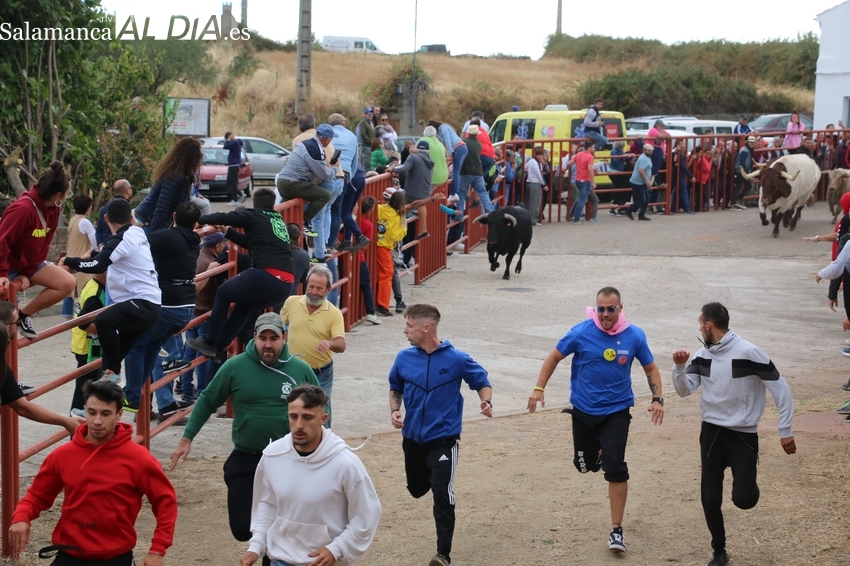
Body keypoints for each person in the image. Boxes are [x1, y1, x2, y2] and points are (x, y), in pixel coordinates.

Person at [171, 313, 318, 565]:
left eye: (274, 338)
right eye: (263, 338)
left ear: (284, 338)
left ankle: (273, 556)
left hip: (289, 458)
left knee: (281, 522)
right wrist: (187, 438)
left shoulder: (299, 369)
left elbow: (320, 409)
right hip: (247, 456)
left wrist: (323, 448)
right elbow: (207, 400)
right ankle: (268, 544)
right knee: (241, 527)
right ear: (254, 338)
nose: (268, 344)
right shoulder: (234, 366)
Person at [527, 286, 664, 554]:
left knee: (615, 468)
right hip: (584, 410)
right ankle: (597, 452)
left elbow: (651, 368)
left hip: (617, 411)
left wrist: (657, 398)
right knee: (585, 465)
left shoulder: (634, 336)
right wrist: (538, 388)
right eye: (600, 308)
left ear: (620, 309)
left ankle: (616, 530)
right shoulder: (580, 332)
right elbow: (554, 356)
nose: (604, 314)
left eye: (610, 309)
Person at [672, 302, 796, 566]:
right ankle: (719, 551)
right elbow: (684, 391)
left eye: (700, 324)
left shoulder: (750, 352)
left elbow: (780, 389)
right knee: (710, 497)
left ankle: (749, 485)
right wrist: (679, 368)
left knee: (744, 500)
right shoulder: (702, 355)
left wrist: (785, 429)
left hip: (742, 435)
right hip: (712, 432)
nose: (699, 328)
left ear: (708, 325)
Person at [10, 380, 177, 566]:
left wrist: (157, 549)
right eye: (91, 412)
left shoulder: (139, 459)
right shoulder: (62, 456)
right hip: (68, 555)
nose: (97, 421)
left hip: (115, 559)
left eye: (105, 413)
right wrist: (21, 518)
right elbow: (36, 496)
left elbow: (165, 501)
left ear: (119, 414)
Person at [388, 304, 493, 566]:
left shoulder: (456, 359)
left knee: (442, 492)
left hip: (444, 438)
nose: (405, 331)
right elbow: (395, 387)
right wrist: (394, 410)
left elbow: (481, 381)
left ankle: (442, 553)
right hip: (412, 438)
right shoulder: (404, 358)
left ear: (426, 328)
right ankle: (424, 481)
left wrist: (486, 401)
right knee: (416, 489)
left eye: (409, 326)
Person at [239, 384, 382, 566]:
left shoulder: (346, 464)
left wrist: (336, 548)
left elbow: (366, 515)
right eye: (293, 417)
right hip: (280, 559)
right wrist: (256, 547)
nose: (299, 425)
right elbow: (266, 505)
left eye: (307, 418)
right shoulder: (272, 456)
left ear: (323, 418)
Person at [186, 188, 295, 362]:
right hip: (285, 283)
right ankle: (219, 348)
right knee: (243, 307)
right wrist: (228, 232)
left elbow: (227, 216)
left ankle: (211, 341)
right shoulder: (277, 219)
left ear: (255, 205)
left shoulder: (254, 215)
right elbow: (252, 243)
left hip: (268, 274)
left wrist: (200, 219)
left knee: (223, 293)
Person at [61, 199, 161, 385]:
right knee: (111, 357)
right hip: (150, 306)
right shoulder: (137, 233)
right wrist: (91, 256)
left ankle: (113, 373)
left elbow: (99, 264)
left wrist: (70, 261)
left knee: (103, 320)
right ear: (131, 218)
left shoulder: (121, 239)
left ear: (106, 218)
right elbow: (105, 254)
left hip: (140, 303)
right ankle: (109, 376)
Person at [122, 201, 201, 418]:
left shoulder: (167, 237)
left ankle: (133, 395)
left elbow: (137, 242)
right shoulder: (195, 239)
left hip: (168, 306)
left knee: (135, 345)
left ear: (174, 215)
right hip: (186, 307)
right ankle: (139, 394)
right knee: (151, 346)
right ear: (195, 223)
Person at [0, 161, 76, 338]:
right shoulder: (22, 209)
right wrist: (3, 273)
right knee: (7, 326)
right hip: (5, 266)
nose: (67, 197)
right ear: (58, 195)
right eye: (67, 193)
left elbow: (44, 246)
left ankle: (24, 314)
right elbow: (2, 242)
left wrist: (26, 274)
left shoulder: (53, 210)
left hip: (29, 265)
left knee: (67, 282)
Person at [0, 303, 82, 433]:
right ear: (7, 327)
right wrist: (65, 421)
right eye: (18, 322)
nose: (19, 325)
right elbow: (24, 408)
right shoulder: (2, 369)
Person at [281, 265, 346, 427]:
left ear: (328, 289)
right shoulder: (292, 302)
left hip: (320, 373)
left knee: (323, 412)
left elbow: (341, 344)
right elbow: (278, 326)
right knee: (290, 410)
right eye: (311, 286)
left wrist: (329, 343)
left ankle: (326, 446)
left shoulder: (334, 313)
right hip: (293, 370)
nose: (314, 292)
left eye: (319, 288)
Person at [291, 115, 345, 262]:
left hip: (325, 181)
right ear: (313, 125)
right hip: (339, 180)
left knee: (317, 217)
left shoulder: (299, 140)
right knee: (326, 211)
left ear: (299, 126)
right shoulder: (324, 141)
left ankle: (319, 254)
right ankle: (326, 247)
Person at [181, 231, 228, 400]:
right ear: (218, 246)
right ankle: (203, 392)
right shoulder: (212, 264)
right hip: (206, 313)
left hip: (193, 312)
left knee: (188, 353)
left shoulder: (197, 256)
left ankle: (187, 390)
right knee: (202, 355)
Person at [276, 125, 336, 238]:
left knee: (286, 208)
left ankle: (277, 224)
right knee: (324, 195)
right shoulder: (315, 149)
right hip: (292, 183)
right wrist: (334, 168)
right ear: (327, 139)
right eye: (331, 139)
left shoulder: (305, 144)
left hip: (283, 181)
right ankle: (303, 220)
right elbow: (324, 175)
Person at [134, 136, 202, 233]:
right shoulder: (175, 177)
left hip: (151, 221)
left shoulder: (178, 174)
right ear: (191, 157)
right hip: (148, 222)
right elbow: (162, 207)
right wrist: (154, 234)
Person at [330, 113, 370, 253]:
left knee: (342, 211)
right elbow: (355, 160)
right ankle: (347, 239)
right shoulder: (352, 136)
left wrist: (348, 179)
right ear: (344, 124)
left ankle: (359, 236)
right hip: (358, 176)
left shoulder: (329, 136)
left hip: (344, 175)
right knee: (348, 210)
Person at [69, 272, 107, 416]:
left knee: (87, 389)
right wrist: (109, 332)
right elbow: (83, 323)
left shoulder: (93, 284)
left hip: (87, 346)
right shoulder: (95, 293)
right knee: (84, 391)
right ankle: (76, 429)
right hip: (89, 349)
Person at [391, 140, 436, 239]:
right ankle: (423, 229)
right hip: (424, 193)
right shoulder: (430, 161)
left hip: (411, 193)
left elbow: (404, 169)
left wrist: (392, 169)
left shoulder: (413, 157)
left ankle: (395, 236)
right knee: (420, 204)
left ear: (417, 149)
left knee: (398, 214)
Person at [63, 194, 98, 319]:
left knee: (69, 291)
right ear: (88, 207)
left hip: (70, 257)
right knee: (85, 287)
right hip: (81, 258)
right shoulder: (85, 222)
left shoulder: (73, 220)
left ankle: (68, 316)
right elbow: (94, 242)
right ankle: (85, 315)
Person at [375, 188, 408, 317]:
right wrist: (404, 229)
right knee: (387, 274)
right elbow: (395, 236)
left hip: (376, 244)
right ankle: (382, 305)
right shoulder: (397, 217)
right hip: (384, 247)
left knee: (381, 274)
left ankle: (380, 303)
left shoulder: (380, 209)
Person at [457, 124, 495, 214]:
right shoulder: (479, 144)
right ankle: (492, 212)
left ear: (468, 133)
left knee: (461, 194)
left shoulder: (462, 141)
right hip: (478, 172)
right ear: (477, 134)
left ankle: (459, 215)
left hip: (465, 172)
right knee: (483, 193)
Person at [430, 120, 467, 202]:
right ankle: (454, 193)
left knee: (456, 172)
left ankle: (453, 193)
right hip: (460, 148)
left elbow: (447, 140)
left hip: (458, 148)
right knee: (456, 172)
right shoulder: (440, 133)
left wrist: (450, 153)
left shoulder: (443, 127)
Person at [357, 196, 381, 325]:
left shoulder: (349, 219)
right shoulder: (368, 225)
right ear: (370, 210)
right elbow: (365, 245)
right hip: (359, 258)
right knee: (366, 285)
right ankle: (370, 312)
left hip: (343, 258)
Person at [96, 179, 132, 246]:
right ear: (127, 190)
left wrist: (100, 243)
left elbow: (99, 229)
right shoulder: (124, 208)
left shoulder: (106, 206)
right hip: (118, 246)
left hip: (105, 246)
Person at [625, 143, 654, 221]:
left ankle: (641, 214)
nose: (650, 152)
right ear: (644, 150)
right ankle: (629, 210)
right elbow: (641, 170)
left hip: (640, 181)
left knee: (646, 198)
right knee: (642, 199)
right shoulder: (644, 158)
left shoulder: (645, 157)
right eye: (649, 151)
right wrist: (647, 181)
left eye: (651, 151)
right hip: (638, 182)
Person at [572, 141, 596, 224]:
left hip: (577, 179)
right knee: (582, 200)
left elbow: (570, 162)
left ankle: (574, 215)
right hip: (585, 180)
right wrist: (593, 182)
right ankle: (576, 218)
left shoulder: (578, 154)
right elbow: (590, 170)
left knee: (580, 199)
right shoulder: (590, 157)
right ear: (589, 148)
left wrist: (565, 169)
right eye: (593, 147)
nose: (594, 149)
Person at [733, 136, 757, 210]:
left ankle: (736, 200)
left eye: (753, 142)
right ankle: (736, 200)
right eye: (751, 142)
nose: (752, 143)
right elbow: (743, 163)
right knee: (745, 185)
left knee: (740, 186)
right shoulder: (746, 150)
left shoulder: (747, 149)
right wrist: (745, 172)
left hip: (742, 171)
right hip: (741, 171)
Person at [223, 131, 245, 205]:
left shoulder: (235, 142)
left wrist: (229, 140)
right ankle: (240, 194)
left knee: (233, 183)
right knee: (229, 183)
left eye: (227, 139)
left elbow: (225, 146)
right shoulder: (237, 142)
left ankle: (235, 200)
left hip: (234, 165)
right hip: (233, 165)